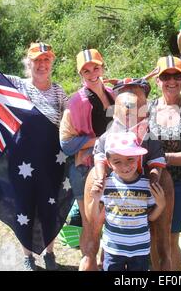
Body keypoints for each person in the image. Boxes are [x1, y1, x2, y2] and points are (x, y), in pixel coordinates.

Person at [6, 42, 69, 271]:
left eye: (46, 60)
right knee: (24, 207)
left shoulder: (59, 91)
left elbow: (69, 123)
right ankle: (27, 256)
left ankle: (50, 254)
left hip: (51, 161)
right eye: (37, 60)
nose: (42, 64)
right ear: (28, 62)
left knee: (48, 208)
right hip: (22, 160)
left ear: (51, 62)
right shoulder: (15, 85)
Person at [59, 49, 115, 262]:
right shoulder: (75, 102)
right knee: (90, 222)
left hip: (110, 166)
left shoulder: (113, 94)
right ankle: (89, 262)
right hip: (84, 167)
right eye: (86, 70)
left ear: (102, 67)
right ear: (80, 74)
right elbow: (66, 144)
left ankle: (103, 263)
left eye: (96, 68)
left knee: (109, 219)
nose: (92, 74)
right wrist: (100, 139)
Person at [148, 55, 181, 270]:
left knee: (170, 237)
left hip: (178, 184)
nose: (172, 81)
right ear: (157, 80)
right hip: (150, 182)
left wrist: (162, 159)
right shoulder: (148, 108)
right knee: (152, 235)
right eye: (165, 76)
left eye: (177, 75)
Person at [87, 131, 166, 271]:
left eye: (130, 159)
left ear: (138, 157)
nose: (125, 166)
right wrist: (96, 199)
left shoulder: (146, 185)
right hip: (113, 250)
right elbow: (95, 217)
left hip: (140, 251)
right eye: (117, 161)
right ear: (109, 163)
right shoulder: (106, 185)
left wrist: (160, 205)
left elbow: (150, 217)